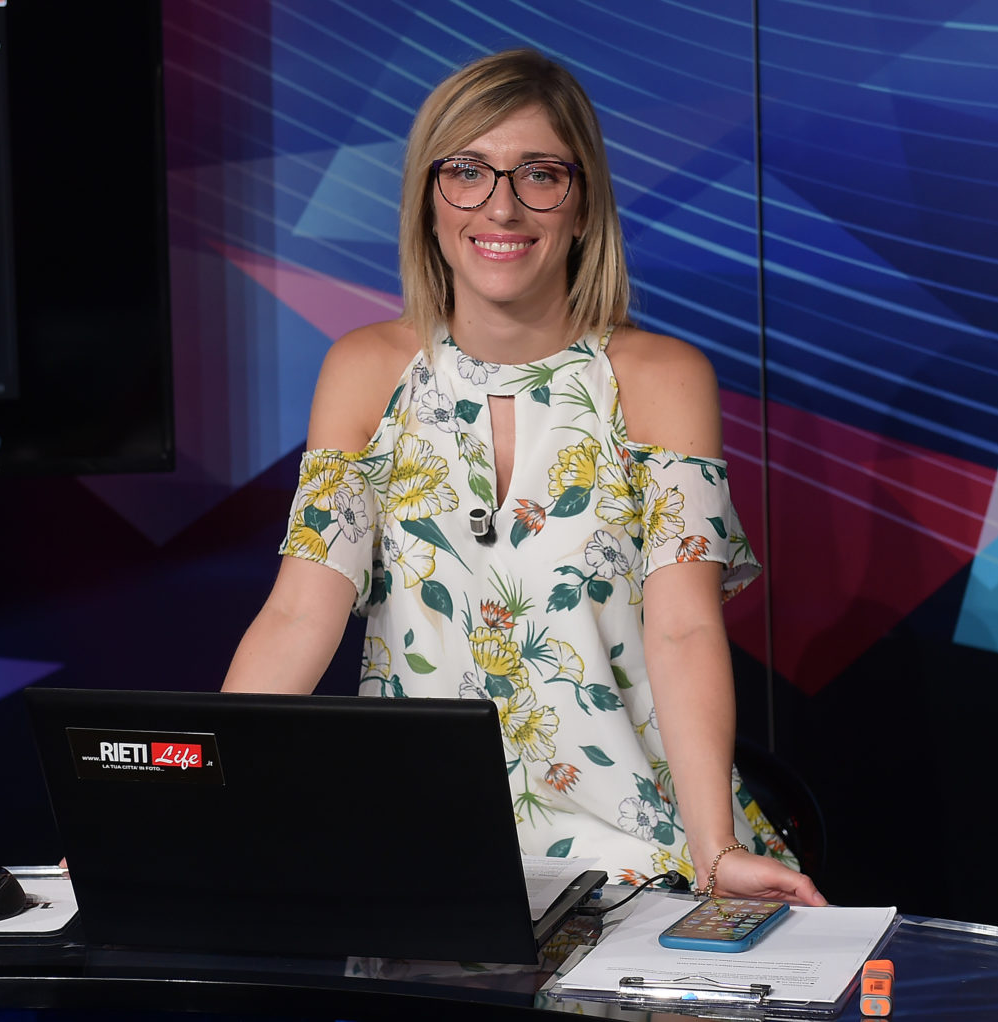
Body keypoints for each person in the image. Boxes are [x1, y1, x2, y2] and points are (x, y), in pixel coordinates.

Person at [222, 49, 825, 906]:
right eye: (467, 171)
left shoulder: (662, 379)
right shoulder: (364, 371)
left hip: (640, 854)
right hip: (422, 850)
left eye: (539, 174)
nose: (501, 206)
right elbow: (297, 614)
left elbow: (684, 629)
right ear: (429, 200)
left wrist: (714, 850)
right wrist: (187, 818)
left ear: (583, 205)